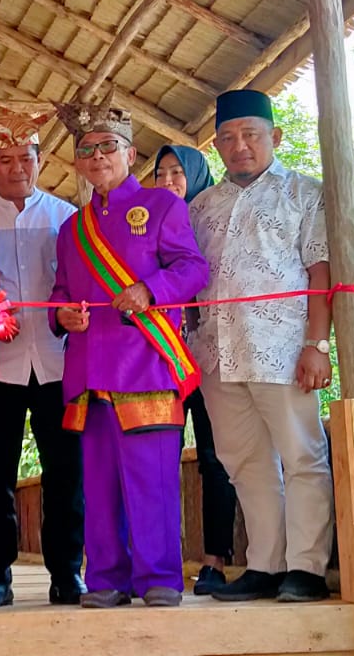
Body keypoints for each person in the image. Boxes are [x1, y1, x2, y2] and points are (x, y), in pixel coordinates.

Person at [49, 103, 208, 609]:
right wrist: (61, 316)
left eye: (107, 147)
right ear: (78, 162)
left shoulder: (163, 207)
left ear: (130, 153)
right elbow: (58, 292)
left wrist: (149, 289)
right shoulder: (71, 230)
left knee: (152, 479)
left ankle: (160, 576)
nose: (97, 157)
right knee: (98, 486)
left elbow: (192, 269)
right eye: (87, 150)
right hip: (90, 372)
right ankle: (106, 579)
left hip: (147, 364)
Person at [191, 89, 335, 603]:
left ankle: (307, 568)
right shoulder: (201, 206)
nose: (240, 146)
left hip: (283, 347)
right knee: (244, 462)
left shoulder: (304, 193)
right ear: (215, 145)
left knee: (301, 456)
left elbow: (321, 270)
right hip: (216, 354)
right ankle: (266, 565)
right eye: (228, 138)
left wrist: (317, 343)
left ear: (274, 136)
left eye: (251, 134)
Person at [0, 103, 85, 608]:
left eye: (28, 157)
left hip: (58, 362)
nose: (19, 168)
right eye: (8, 159)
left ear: (40, 159)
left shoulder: (66, 217)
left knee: (66, 470)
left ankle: (66, 572)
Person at [150, 144, 240, 595]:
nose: (168, 181)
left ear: (197, 175)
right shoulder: (143, 226)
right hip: (160, 359)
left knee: (213, 459)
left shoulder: (209, 221)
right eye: (161, 173)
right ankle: (156, 560)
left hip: (206, 358)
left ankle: (214, 561)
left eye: (177, 173)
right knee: (157, 458)